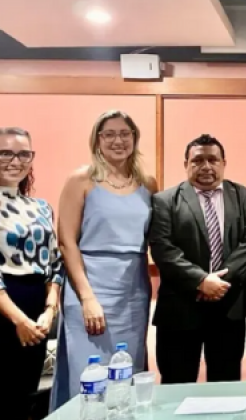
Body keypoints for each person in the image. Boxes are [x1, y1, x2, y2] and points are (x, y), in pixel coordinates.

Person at [51, 110, 157, 410]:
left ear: (135, 139)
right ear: (97, 139)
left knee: (128, 372)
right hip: (90, 285)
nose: (117, 140)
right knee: (89, 375)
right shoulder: (81, 179)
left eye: (125, 134)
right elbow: (66, 242)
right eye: (109, 134)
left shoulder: (147, 183)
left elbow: (157, 239)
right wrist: (87, 298)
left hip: (134, 290)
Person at [148, 134, 246, 384]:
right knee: (176, 386)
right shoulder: (165, 201)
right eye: (198, 160)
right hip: (180, 308)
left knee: (226, 385)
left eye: (213, 159)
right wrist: (201, 281)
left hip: (229, 306)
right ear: (186, 164)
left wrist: (219, 283)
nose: (206, 167)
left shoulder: (243, 196)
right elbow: (163, 249)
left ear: (223, 163)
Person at [0, 128, 63, 420]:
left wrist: (50, 310)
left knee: (27, 394)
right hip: (6, 307)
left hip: (37, 306)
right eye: (5, 153)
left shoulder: (41, 207)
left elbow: (54, 262)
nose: (16, 160)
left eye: (24, 153)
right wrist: (19, 319)